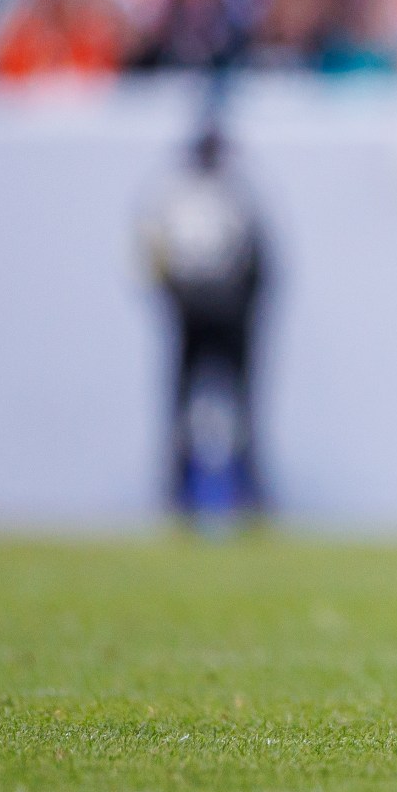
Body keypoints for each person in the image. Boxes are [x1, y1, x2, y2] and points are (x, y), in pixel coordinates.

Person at [139, 119, 269, 521]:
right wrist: (175, 300)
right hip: (190, 314)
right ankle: (179, 491)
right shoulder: (174, 200)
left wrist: (241, 306)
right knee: (182, 407)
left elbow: (260, 263)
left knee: (242, 407)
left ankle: (246, 491)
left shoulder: (236, 199)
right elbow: (153, 259)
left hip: (228, 315)